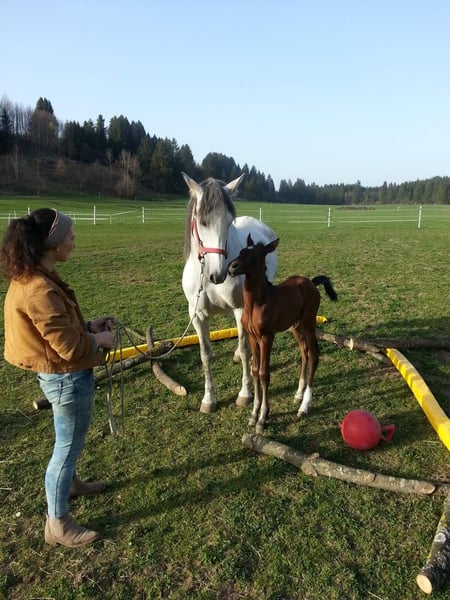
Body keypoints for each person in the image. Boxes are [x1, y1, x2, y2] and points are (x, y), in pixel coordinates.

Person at [1, 208, 114, 548]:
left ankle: (71, 485)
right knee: (66, 448)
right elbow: (69, 348)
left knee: (68, 442)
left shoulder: (35, 277)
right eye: (70, 236)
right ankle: (58, 524)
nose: (74, 241)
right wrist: (99, 339)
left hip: (60, 376)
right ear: (53, 244)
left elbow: (58, 331)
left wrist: (88, 326)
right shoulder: (38, 289)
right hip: (67, 379)